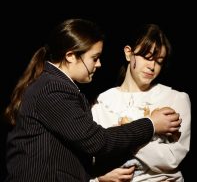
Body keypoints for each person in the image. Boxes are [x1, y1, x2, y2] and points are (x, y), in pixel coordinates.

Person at [3, 19, 182, 182]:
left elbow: (66, 154)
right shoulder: (52, 88)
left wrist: (97, 176)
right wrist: (151, 124)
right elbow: (97, 142)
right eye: (94, 58)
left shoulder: (54, 86)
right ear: (70, 56)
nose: (98, 64)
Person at [91, 24, 191, 182]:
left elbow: (173, 158)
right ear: (128, 53)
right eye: (147, 57)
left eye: (159, 61)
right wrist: (98, 178)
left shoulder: (174, 98)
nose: (152, 66)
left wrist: (125, 136)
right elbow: (94, 158)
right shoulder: (103, 103)